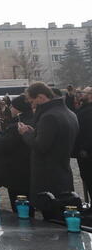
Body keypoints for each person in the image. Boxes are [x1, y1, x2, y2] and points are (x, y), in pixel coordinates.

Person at [18, 82, 79, 216]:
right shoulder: (68, 113)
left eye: (32, 100)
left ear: (40, 97)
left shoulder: (49, 116)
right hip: (63, 172)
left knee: (52, 218)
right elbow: (55, 139)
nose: (31, 104)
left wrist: (25, 134)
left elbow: (41, 146)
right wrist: (35, 132)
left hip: (48, 177)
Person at [0, 96, 34, 212]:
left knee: (21, 205)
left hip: (17, 170)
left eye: (12, 106)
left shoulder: (18, 125)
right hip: (26, 168)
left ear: (17, 109)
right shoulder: (30, 119)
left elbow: (3, 145)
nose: (10, 109)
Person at [74, 87, 92, 201]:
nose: (80, 94)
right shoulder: (84, 109)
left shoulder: (88, 111)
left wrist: (84, 149)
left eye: (83, 92)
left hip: (87, 153)